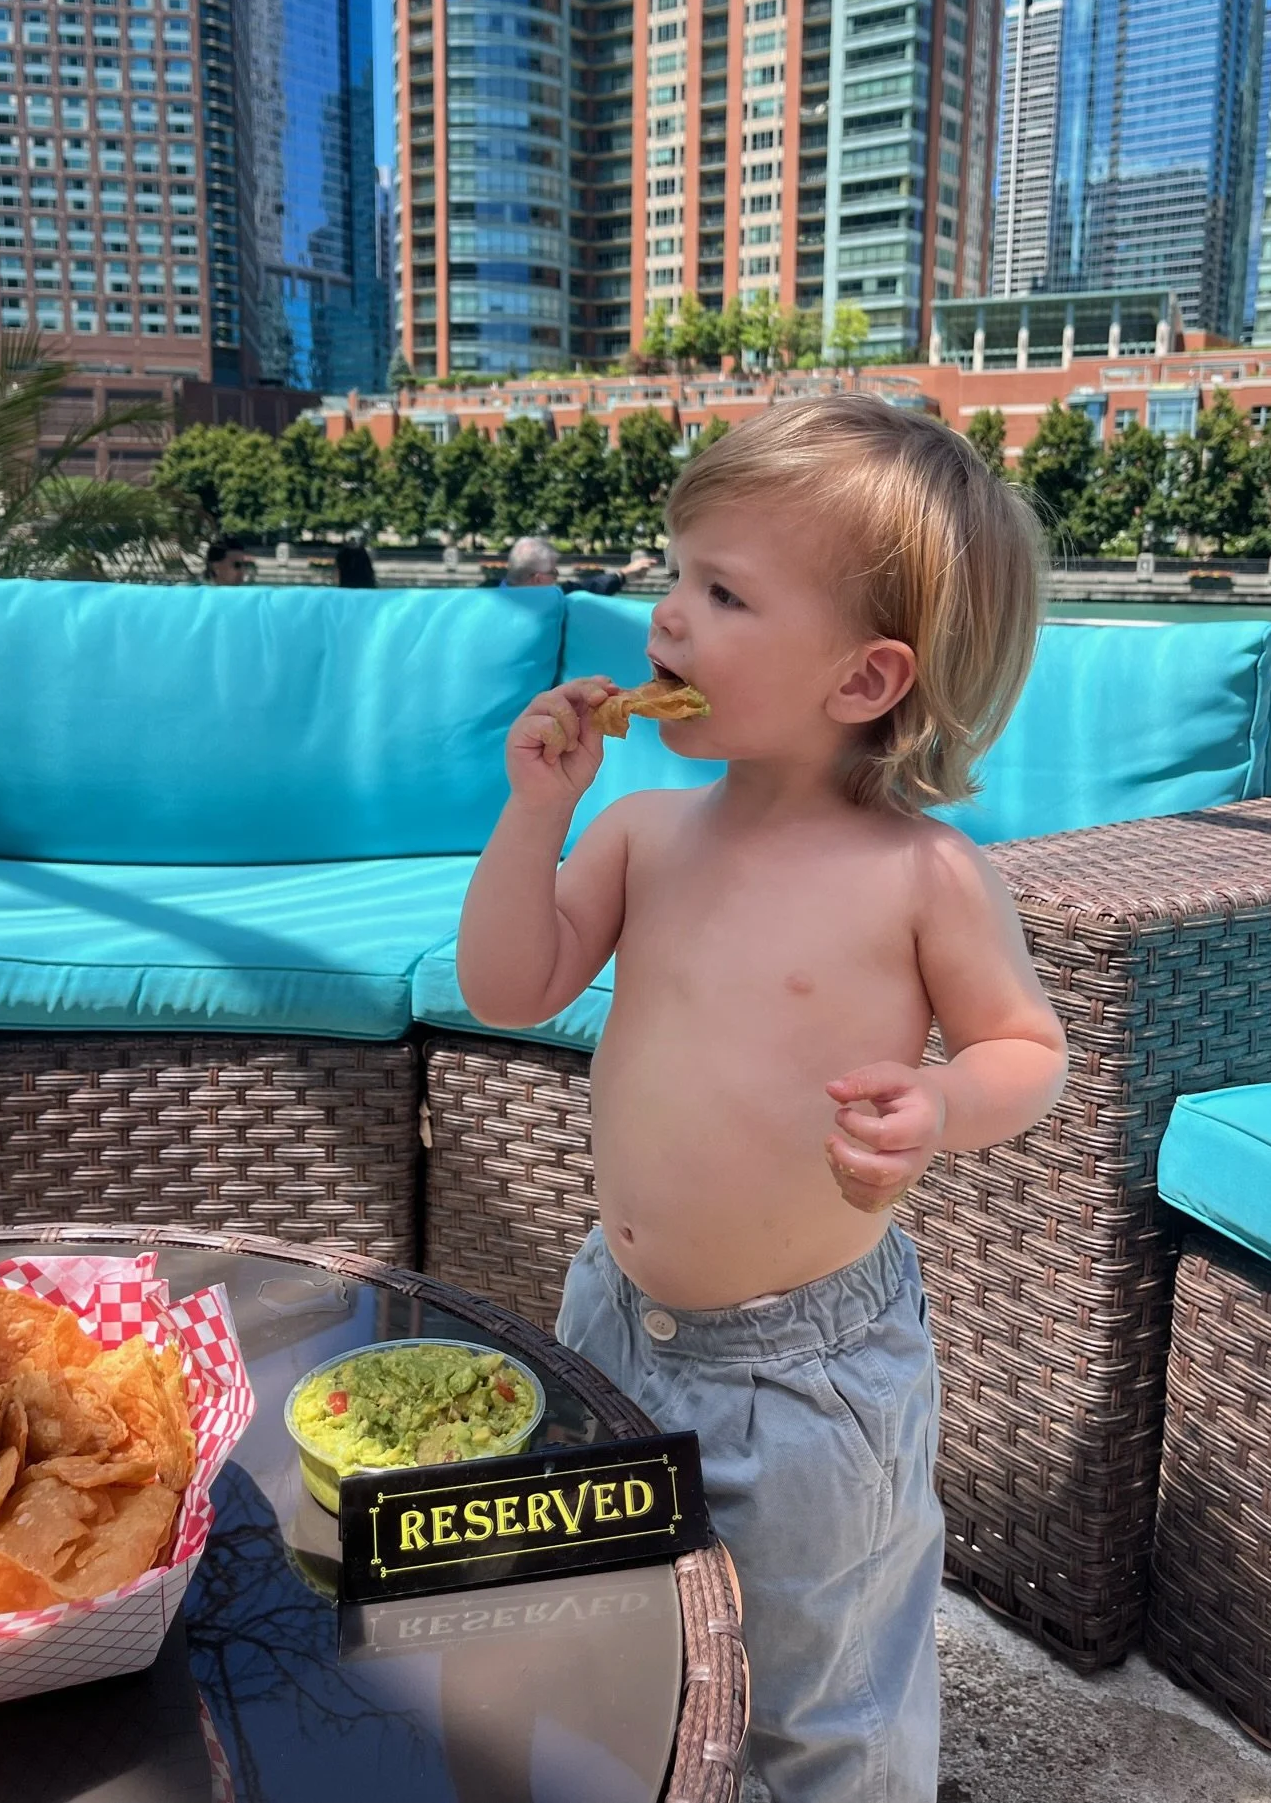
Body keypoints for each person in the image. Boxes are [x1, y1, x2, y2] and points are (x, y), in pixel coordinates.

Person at [456, 398, 1068, 1803]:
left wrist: (942, 1103)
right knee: (619, 1630)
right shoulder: (644, 832)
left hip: (806, 1384)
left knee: (819, 1687)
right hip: (610, 1317)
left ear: (863, 679)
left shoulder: (923, 876)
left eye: (723, 591)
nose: (668, 619)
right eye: (677, 574)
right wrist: (535, 812)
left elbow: (1028, 1049)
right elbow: (509, 982)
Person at [503, 537, 658, 593]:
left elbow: (590, 586)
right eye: (553, 573)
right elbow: (590, 589)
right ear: (537, 579)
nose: (557, 577)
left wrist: (624, 573)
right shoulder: (552, 601)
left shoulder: (482, 595)